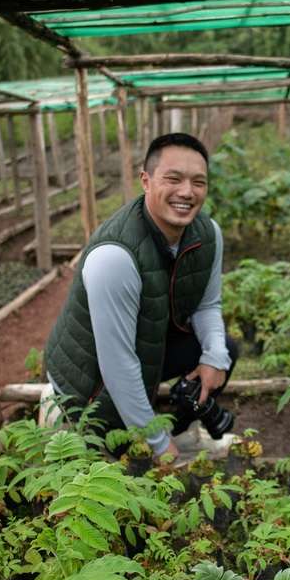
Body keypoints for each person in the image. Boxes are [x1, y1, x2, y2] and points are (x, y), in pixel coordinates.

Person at [41, 133, 236, 460]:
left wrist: (214, 357)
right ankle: (62, 416)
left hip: (145, 346)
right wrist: (161, 450)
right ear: (146, 181)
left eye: (198, 182)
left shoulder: (207, 234)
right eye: (173, 179)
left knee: (225, 349)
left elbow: (207, 305)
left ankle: (179, 432)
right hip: (92, 375)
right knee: (116, 458)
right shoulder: (114, 257)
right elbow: (117, 364)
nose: (187, 192)